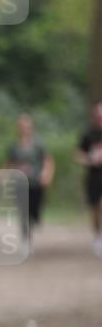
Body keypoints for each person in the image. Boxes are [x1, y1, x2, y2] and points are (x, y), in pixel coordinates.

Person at [3, 113, 55, 241]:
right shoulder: (14, 146)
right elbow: (8, 162)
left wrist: (46, 174)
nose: (24, 129)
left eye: (26, 126)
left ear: (31, 127)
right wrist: (4, 176)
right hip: (20, 183)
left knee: (35, 210)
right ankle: (26, 237)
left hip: (35, 182)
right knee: (22, 210)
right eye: (21, 126)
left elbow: (48, 160)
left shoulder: (38, 144)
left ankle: (35, 220)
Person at [75, 101, 102, 257]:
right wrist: (89, 159)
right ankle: (98, 236)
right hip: (93, 175)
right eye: (97, 115)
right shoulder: (88, 134)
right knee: (94, 208)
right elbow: (78, 153)